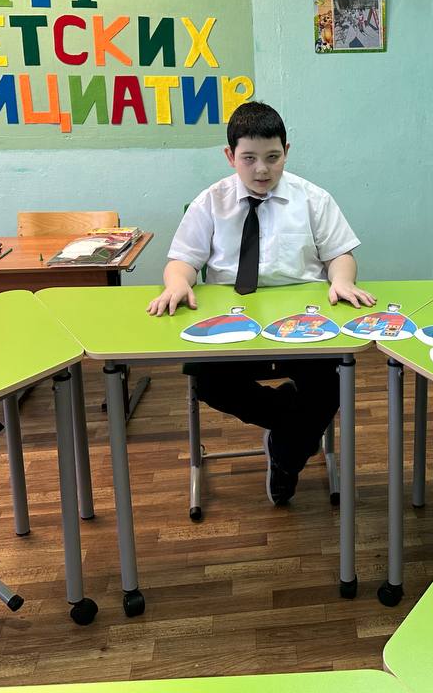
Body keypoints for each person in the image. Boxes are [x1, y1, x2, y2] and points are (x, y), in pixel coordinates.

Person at [147, 102, 375, 505]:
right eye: (249, 158)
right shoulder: (210, 202)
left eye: (273, 157)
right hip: (230, 327)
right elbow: (182, 260)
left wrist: (342, 279)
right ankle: (294, 427)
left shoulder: (313, 199)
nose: (262, 170)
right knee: (209, 383)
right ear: (230, 155)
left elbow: (340, 253)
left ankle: (285, 456)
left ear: (286, 150)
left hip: (304, 327)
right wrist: (177, 283)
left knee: (331, 383)